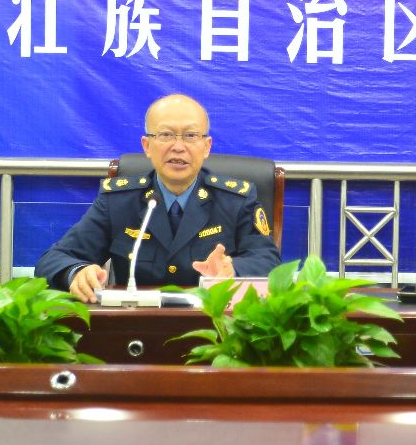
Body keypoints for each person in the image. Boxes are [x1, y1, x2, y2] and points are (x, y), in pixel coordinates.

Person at [36, 94, 282, 303]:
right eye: (165, 135)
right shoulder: (118, 201)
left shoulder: (236, 200)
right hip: (135, 325)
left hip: (213, 325)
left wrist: (232, 271)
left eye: (190, 136)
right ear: (147, 146)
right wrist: (77, 272)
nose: (178, 147)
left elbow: (268, 262)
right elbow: (52, 260)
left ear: (207, 147)